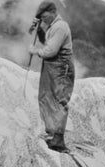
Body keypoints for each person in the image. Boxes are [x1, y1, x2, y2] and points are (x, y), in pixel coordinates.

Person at [28, 1, 75, 153]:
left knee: (59, 100)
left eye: (45, 15)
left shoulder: (60, 26)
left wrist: (36, 51)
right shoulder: (52, 27)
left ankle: (58, 139)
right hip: (52, 66)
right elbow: (46, 42)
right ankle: (51, 133)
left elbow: (51, 51)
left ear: (52, 12)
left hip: (61, 67)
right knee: (45, 97)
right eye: (41, 17)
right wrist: (38, 28)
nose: (43, 19)